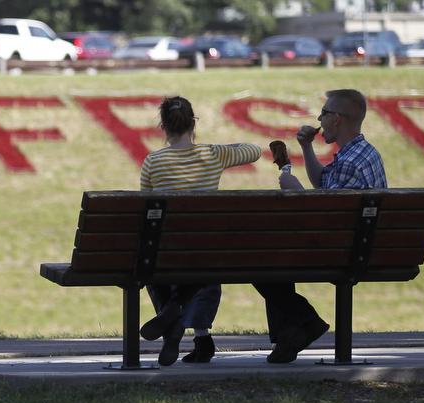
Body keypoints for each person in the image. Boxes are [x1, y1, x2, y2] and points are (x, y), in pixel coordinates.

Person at [258, 88, 388, 363]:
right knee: (269, 256)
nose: (319, 118)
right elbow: (325, 186)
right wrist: (306, 147)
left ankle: (304, 323)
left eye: (324, 113)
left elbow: (324, 216)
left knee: (259, 258)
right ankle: (292, 333)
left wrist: (297, 193)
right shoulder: (361, 153)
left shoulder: (349, 162)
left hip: (343, 252)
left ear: (337, 119)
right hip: (359, 246)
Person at [138, 96, 262, 366]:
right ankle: (199, 337)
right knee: (203, 271)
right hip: (207, 250)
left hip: (166, 251)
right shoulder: (215, 154)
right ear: (193, 123)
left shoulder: (153, 162)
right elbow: (254, 150)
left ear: (163, 125)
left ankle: (170, 319)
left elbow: (147, 208)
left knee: (155, 266)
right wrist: (221, 148)